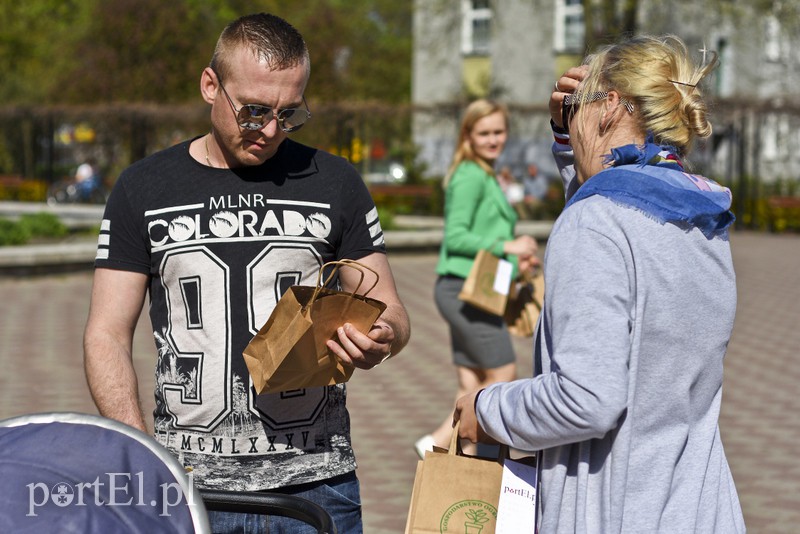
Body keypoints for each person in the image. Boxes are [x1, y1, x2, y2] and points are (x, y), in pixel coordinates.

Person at [83, 13, 410, 534]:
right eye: (255, 111)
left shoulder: (336, 181)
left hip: (317, 486)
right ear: (210, 86)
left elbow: (391, 309)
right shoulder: (143, 187)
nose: (272, 130)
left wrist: (381, 337)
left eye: (290, 114)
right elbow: (106, 333)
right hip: (187, 487)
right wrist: (142, 456)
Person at [453, 35, 745, 532]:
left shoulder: (596, 223)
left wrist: (486, 408)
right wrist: (569, 134)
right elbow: (615, 188)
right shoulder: (701, 217)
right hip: (700, 509)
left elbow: (585, 400)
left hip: (615, 511)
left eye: (575, 105)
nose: (569, 116)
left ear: (609, 106)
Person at [414, 99, 538, 458]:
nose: (492, 139)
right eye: (484, 133)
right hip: (464, 291)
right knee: (503, 370)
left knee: (470, 380)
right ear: (468, 135)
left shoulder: (485, 172)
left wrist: (517, 264)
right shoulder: (470, 175)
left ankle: (469, 458)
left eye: (498, 131)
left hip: (475, 288)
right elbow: (456, 237)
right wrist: (508, 245)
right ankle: (437, 442)